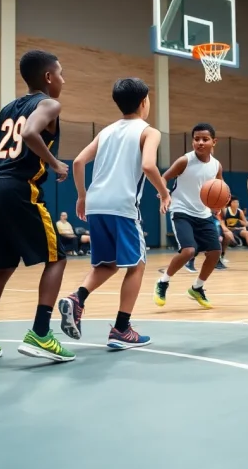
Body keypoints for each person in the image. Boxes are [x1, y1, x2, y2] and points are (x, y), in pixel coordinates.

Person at [0, 49, 74, 362]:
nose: (63, 80)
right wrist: (55, 164)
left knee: (3, 266)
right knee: (57, 258)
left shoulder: (9, 108)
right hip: (20, 189)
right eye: (61, 74)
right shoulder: (49, 104)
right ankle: (41, 333)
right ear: (49, 77)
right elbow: (29, 133)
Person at [58, 78, 169, 349]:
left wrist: (82, 196)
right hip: (122, 206)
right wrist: (165, 193)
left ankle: (77, 298)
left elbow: (79, 162)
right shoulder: (149, 131)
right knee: (137, 265)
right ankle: (122, 329)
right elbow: (148, 165)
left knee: (107, 264)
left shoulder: (106, 131)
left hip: (96, 204)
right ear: (145, 102)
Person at [154, 124, 224, 309]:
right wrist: (164, 194)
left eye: (205, 139)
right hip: (181, 210)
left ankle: (197, 287)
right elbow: (163, 177)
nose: (200, 142)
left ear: (214, 142)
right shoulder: (184, 161)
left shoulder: (216, 165)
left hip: (203, 213)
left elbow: (220, 188)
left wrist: (218, 206)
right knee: (188, 251)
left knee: (215, 252)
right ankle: (163, 282)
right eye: (196, 139)